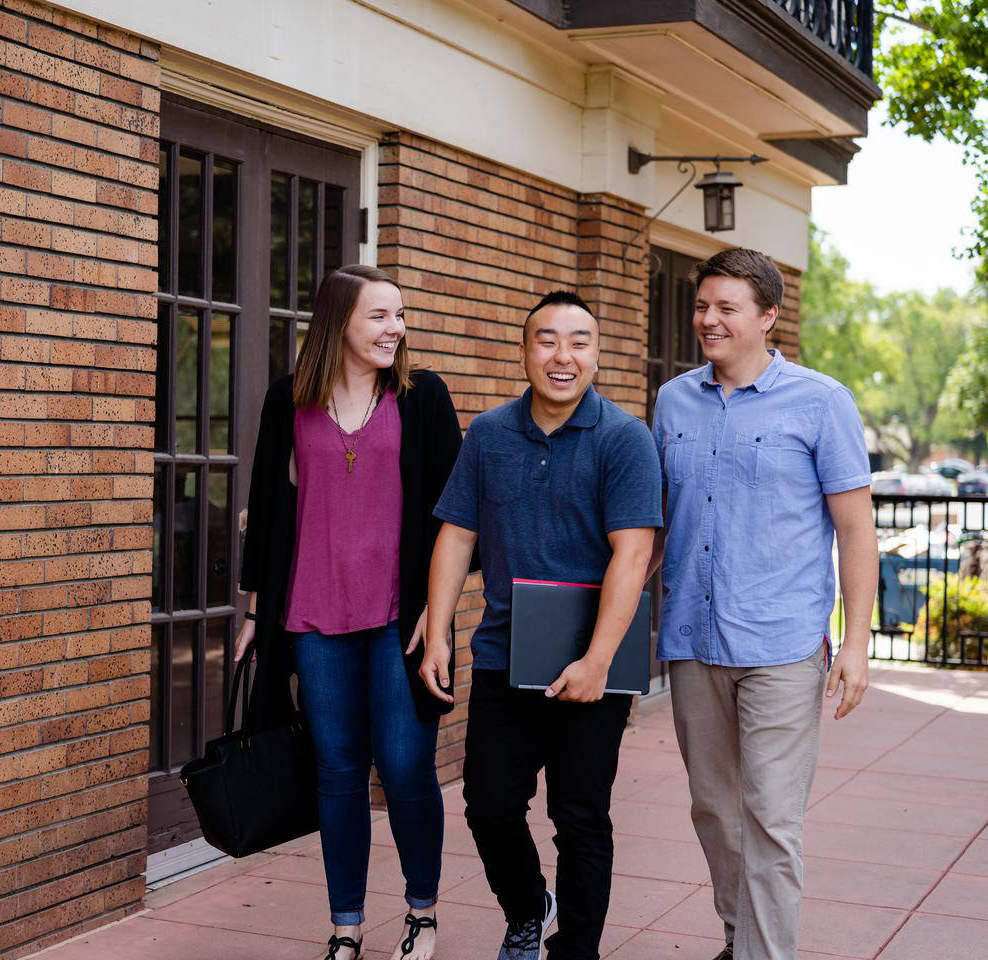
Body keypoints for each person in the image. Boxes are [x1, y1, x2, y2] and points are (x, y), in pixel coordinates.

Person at [418, 290, 661, 960]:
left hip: (595, 663)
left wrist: (598, 660)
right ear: (525, 350)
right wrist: (437, 632)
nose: (562, 355)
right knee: (489, 804)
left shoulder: (624, 438)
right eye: (547, 340)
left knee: (579, 818)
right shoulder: (490, 435)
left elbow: (633, 552)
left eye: (578, 341)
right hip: (504, 655)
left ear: (597, 353)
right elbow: (457, 536)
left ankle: (575, 950)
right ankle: (528, 908)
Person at [650, 248, 876, 960]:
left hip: (782, 645)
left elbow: (855, 526)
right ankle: (738, 938)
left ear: (768, 317)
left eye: (726, 308)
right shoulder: (673, 401)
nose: (708, 320)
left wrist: (859, 642)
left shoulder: (821, 401)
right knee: (715, 812)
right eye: (701, 306)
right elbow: (655, 521)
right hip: (692, 639)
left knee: (772, 819)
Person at [233, 264, 464, 960]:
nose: (396, 328)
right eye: (380, 316)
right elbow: (269, 507)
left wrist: (440, 613)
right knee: (337, 773)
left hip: (400, 618)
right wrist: (254, 607)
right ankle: (346, 927)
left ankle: (422, 914)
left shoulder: (422, 398)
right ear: (340, 323)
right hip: (313, 614)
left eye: (400, 316)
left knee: (403, 769)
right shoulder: (289, 401)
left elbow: (457, 516)